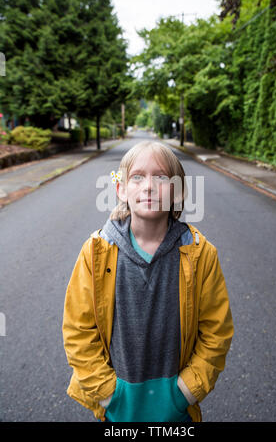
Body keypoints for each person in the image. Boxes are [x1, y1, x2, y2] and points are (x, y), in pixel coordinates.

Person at [62, 140, 234, 422]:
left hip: (176, 410)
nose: (149, 186)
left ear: (178, 192)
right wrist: (107, 393)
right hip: (117, 408)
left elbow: (217, 332)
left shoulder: (201, 254)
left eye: (162, 177)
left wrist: (185, 392)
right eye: (137, 177)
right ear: (121, 190)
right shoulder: (95, 253)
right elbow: (78, 329)